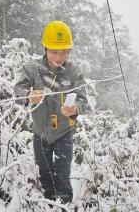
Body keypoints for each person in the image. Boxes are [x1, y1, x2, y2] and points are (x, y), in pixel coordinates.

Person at [14, 20, 88, 204]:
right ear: (45, 48)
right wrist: (28, 95)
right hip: (40, 134)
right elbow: (17, 92)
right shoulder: (32, 68)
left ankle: (65, 205)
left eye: (64, 51)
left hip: (63, 133)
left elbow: (83, 100)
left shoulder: (74, 72)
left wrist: (75, 108)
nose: (59, 56)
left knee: (62, 174)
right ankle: (48, 204)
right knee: (45, 173)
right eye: (55, 51)